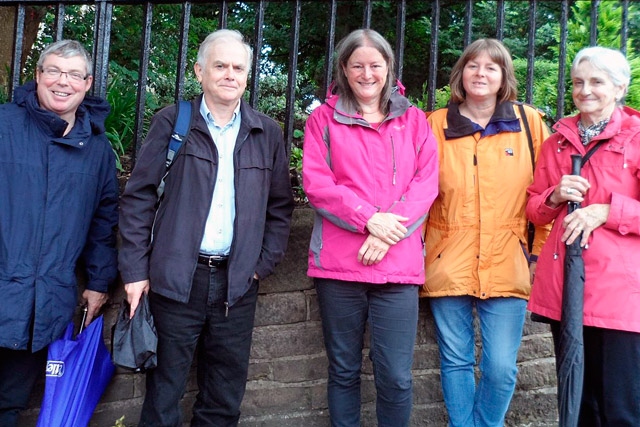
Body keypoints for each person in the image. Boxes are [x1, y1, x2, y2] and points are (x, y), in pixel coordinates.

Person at [118, 29, 294, 426]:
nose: (230, 74)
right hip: (177, 279)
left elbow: (280, 207)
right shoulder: (173, 122)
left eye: (238, 67)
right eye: (220, 65)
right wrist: (134, 271)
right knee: (164, 393)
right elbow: (138, 198)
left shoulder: (266, 132)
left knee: (224, 396)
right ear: (199, 71)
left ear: (248, 76)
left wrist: (259, 265)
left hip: (237, 283)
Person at [302, 29, 439, 427]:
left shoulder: (414, 120)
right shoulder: (322, 120)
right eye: (357, 65)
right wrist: (369, 219)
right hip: (339, 266)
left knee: (395, 377)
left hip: (398, 267)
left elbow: (426, 184)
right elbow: (317, 184)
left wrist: (382, 232)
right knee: (343, 372)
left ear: (388, 68)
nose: (366, 74)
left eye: (375, 65)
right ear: (344, 69)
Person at [421, 38, 550, 427]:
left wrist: (537, 255)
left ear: (503, 77)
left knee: (500, 368)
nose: (481, 74)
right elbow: (420, 195)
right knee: (456, 360)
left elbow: (545, 195)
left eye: (491, 67)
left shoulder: (529, 123)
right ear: (460, 74)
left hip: (510, 260)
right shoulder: (434, 124)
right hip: (447, 258)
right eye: (473, 66)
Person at [0, 40, 118, 425]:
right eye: (52, 71)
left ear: (87, 84)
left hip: (44, 302)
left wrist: (100, 281)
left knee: (9, 405)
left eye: (73, 75)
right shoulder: (4, 125)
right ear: (37, 77)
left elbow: (104, 221)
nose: (61, 82)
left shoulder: (98, 150)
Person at [527, 46, 640, 425]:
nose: (585, 90)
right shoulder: (556, 141)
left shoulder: (637, 139)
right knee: (579, 403)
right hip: (566, 287)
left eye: (596, 81)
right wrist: (555, 194)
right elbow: (534, 210)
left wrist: (607, 211)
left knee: (620, 407)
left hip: (618, 295)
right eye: (578, 82)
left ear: (619, 86)